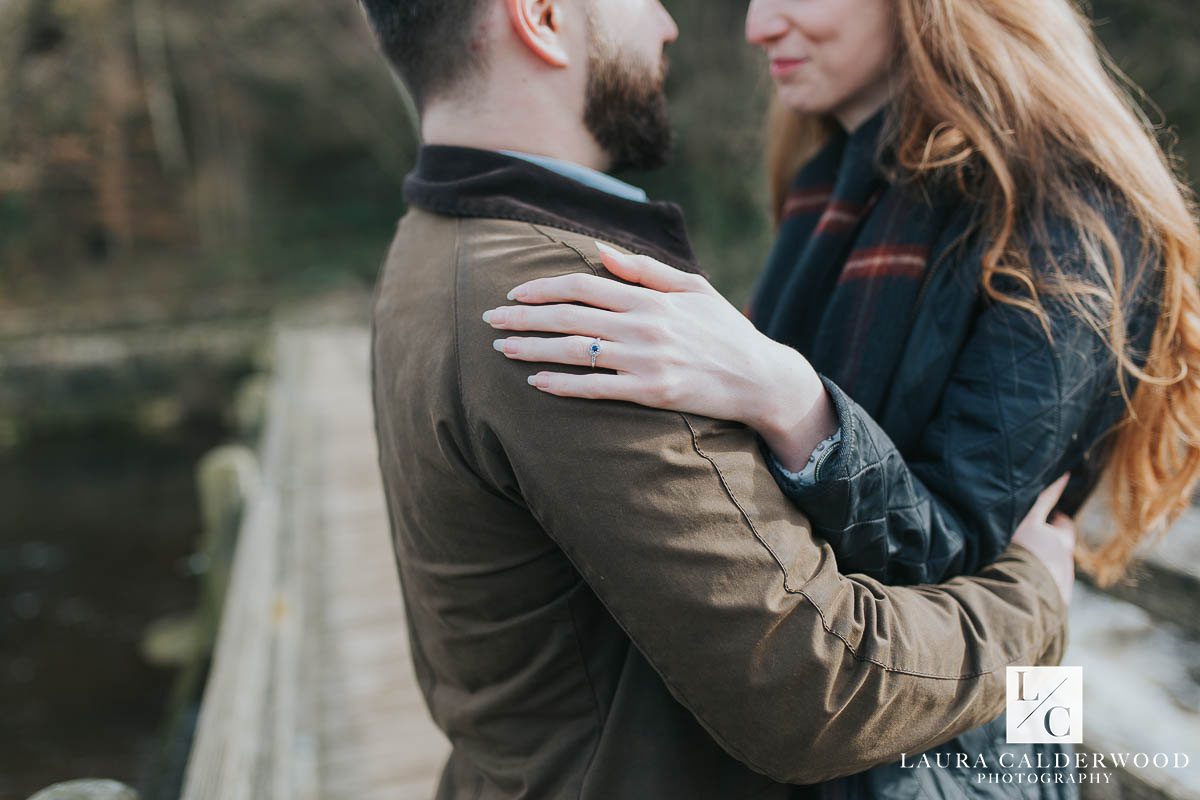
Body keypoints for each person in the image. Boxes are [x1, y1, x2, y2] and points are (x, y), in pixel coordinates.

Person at [483, 0, 1200, 797]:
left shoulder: (1070, 212)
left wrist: (786, 395)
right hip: (852, 717)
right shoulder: (828, 187)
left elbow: (958, 554)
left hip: (982, 741)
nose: (757, 28)